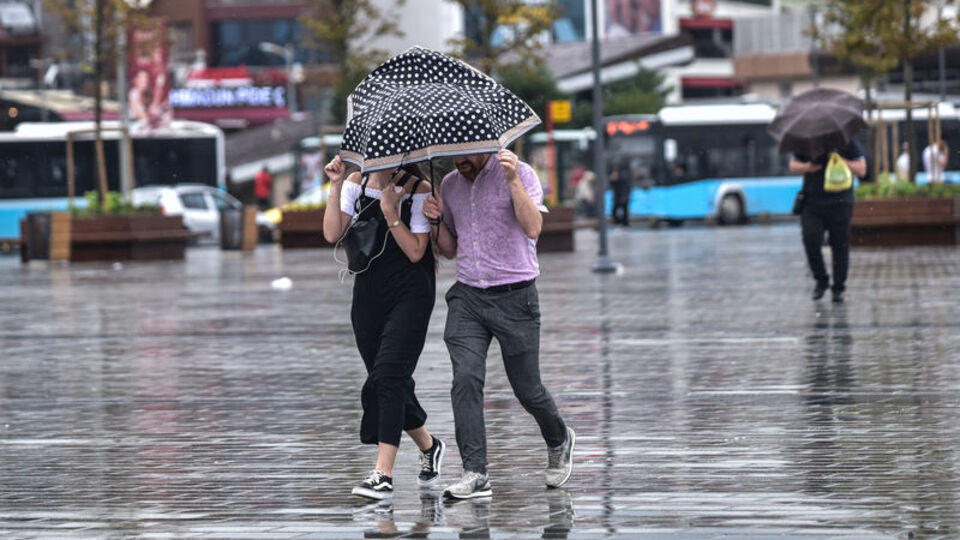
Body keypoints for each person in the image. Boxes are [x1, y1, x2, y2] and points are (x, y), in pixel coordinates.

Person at [422, 149, 575, 500]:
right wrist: (436, 221)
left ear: (487, 143)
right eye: (454, 152)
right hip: (468, 297)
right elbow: (448, 249)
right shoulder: (449, 184)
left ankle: (559, 437)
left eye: (467, 152)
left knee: (527, 389)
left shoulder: (520, 173)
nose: (459, 159)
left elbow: (533, 227)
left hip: (515, 295)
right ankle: (475, 472)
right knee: (465, 380)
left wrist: (512, 181)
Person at [322, 155, 446, 500]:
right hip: (368, 296)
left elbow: (416, 252)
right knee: (385, 377)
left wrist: (392, 211)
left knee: (389, 377)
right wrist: (335, 183)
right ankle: (429, 445)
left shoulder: (418, 188)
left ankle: (383, 473)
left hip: (411, 294)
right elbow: (332, 232)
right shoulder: (355, 183)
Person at [790, 141, 867, 304]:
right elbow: (793, 166)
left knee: (840, 245)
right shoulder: (807, 141)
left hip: (841, 203)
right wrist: (808, 167)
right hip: (812, 204)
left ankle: (839, 287)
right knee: (810, 240)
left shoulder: (846, 142)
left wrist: (842, 160)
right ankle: (821, 279)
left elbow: (862, 169)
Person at [610, 162, 631, 227]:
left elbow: (626, 186)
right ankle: (617, 222)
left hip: (623, 194)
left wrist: (624, 196)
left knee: (624, 209)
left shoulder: (623, 175)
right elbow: (613, 184)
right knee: (615, 209)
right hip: (617, 195)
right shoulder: (615, 174)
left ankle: (624, 222)